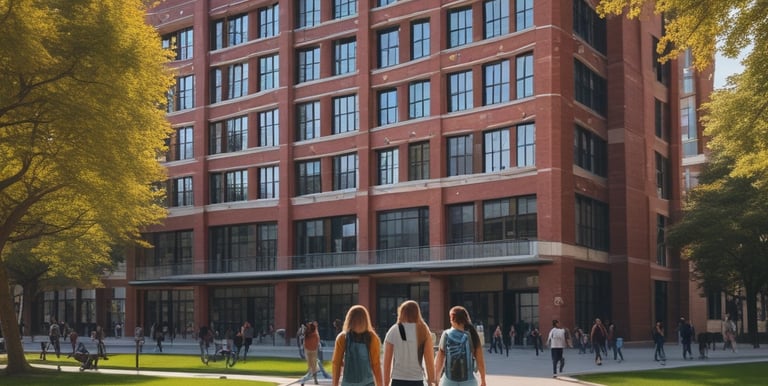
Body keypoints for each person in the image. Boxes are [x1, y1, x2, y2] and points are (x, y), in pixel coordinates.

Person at [383, 300, 436, 386]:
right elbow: (429, 361)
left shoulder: (393, 330)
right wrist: (431, 382)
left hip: (398, 379)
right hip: (417, 380)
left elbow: (387, 362)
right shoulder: (423, 330)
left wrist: (385, 383)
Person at [434, 305, 487, 386]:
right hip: (468, 380)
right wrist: (483, 379)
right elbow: (480, 360)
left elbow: (440, 360)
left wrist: (436, 379)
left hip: (449, 380)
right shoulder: (472, 334)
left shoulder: (446, 334)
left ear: (452, 318)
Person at [332, 305, 383, 386]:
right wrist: (380, 384)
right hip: (368, 383)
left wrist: (334, 384)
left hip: (348, 383)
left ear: (349, 319)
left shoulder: (342, 337)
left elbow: (336, 363)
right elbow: (376, 365)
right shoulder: (373, 338)